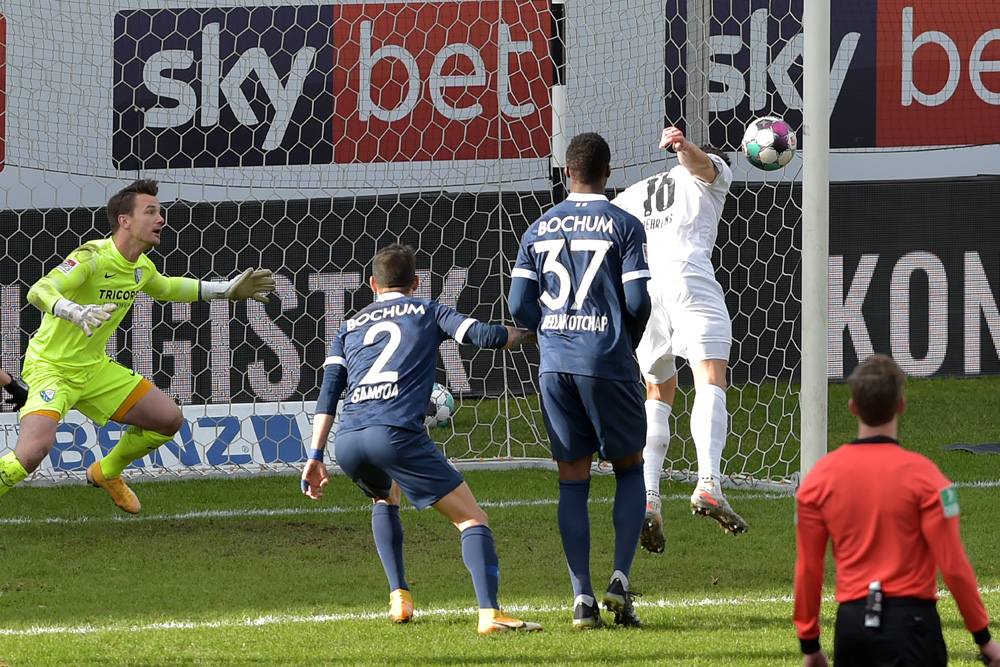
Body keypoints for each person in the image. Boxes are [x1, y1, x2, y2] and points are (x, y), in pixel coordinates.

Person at [300, 243, 541, 635]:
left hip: (349, 441)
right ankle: (490, 614)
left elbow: (329, 392)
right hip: (394, 434)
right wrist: (531, 334)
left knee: (385, 495)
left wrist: (315, 454)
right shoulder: (428, 310)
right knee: (472, 518)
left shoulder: (349, 326)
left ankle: (400, 598)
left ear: (372, 284)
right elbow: (481, 335)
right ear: (416, 282)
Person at [0, 179, 275, 512]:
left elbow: (168, 287)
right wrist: (72, 310)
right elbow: (39, 290)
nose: (161, 219)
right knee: (32, 453)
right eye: (151, 212)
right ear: (124, 221)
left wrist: (226, 290)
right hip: (51, 369)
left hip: (94, 369)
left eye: (160, 212)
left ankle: (107, 471)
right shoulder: (92, 257)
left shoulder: (141, 268)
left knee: (168, 419)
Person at [508, 132, 651, 629]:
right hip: (606, 360)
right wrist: (622, 341)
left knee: (573, 478)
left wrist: (548, 332)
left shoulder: (538, 228)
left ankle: (582, 600)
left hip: (555, 364)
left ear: (567, 173)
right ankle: (620, 580)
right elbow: (637, 304)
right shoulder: (625, 225)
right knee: (630, 469)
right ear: (609, 174)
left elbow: (517, 306)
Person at [794, 354, 1000, 667]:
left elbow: (809, 567)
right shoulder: (930, 480)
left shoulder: (817, 482)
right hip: (913, 626)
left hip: (852, 628)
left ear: (853, 408)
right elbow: (954, 565)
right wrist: (984, 638)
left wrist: (809, 644)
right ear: (901, 406)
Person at [611, 126, 747, 552]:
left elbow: (608, 227)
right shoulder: (710, 171)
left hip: (643, 287)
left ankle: (649, 498)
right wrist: (687, 149)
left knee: (658, 389)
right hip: (689, 275)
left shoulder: (632, 194)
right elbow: (701, 167)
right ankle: (709, 481)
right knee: (709, 376)